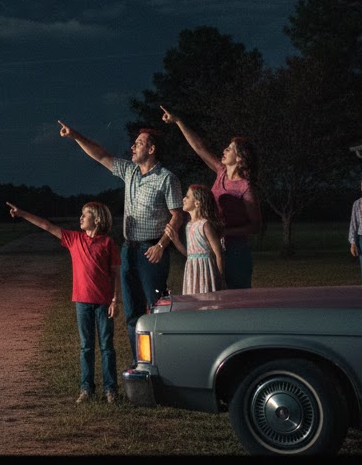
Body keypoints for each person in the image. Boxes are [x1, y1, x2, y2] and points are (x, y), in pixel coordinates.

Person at [58, 120, 184, 362]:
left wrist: (162, 245)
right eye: (134, 144)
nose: (133, 148)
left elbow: (177, 215)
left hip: (152, 251)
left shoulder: (167, 179)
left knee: (156, 309)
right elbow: (101, 156)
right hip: (129, 250)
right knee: (132, 313)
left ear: (152, 149)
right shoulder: (130, 171)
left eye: (139, 144)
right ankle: (139, 364)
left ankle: (162, 363)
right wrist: (75, 136)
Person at [6, 199, 121, 404]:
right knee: (86, 346)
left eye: (85, 214)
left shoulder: (107, 243)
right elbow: (46, 225)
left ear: (96, 219)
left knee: (106, 347)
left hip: (103, 302)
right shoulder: (74, 239)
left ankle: (110, 389)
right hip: (82, 301)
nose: (81, 218)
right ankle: (86, 389)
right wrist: (23, 214)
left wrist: (115, 300)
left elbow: (115, 275)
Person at [159, 107, 262, 289]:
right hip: (212, 246)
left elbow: (256, 225)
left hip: (235, 250)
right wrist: (178, 122)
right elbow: (199, 147)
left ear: (240, 158)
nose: (224, 150)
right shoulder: (221, 172)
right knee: (215, 296)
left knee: (236, 300)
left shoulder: (246, 187)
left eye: (229, 149)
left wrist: (225, 232)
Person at [164, 183, 225, 294]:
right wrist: (175, 239)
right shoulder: (189, 225)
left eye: (187, 197)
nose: (183, 199)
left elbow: (218, 254)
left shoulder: (205, 225)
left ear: (197, 203)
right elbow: (190, 254)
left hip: (206, 271)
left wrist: (220, 278)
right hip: (192, 271)